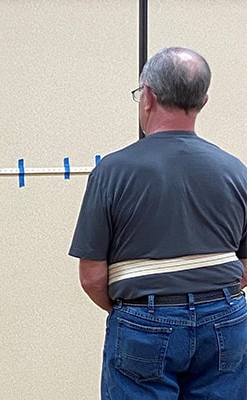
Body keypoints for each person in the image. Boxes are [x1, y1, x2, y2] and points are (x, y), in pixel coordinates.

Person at [69, 47, 247, 399]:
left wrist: (136, 315)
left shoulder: (112, 172)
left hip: (143, 322)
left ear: (147, 96)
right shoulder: (235, 171)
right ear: (204, 101)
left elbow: (92, 278)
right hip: (226, 321)